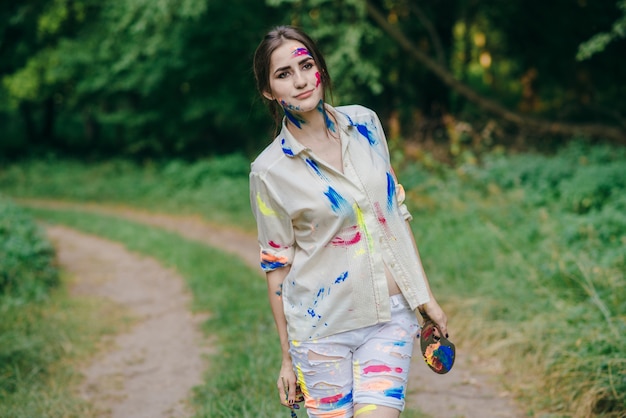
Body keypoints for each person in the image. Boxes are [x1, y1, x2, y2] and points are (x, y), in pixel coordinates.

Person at [250, 25, 448, 418]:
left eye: (306, 65)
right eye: (283, 74)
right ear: (269, 92)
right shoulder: (269, 171)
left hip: (389, 317)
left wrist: (424, 298)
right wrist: (287, 359)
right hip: (320, 330)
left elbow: (395, 215)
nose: (301, 80)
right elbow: (277, 267)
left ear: (320, 68)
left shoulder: (365, 125)